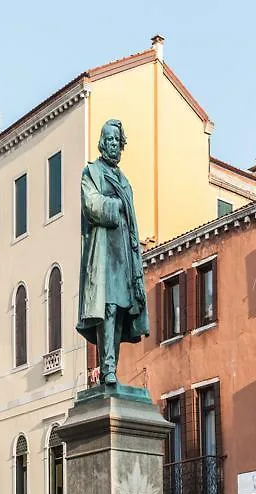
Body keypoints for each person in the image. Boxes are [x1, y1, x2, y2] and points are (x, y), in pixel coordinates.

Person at [76, 119, 149, 385]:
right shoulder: (91, 173)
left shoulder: (125, 181)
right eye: (109, 140)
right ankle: (106, 367)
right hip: (103, 250)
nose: (113, 145)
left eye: (117, 141)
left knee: (119, 308)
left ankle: (112, 368)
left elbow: (133, 223)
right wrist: (116, 205)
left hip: (123, 255)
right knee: (105, 306)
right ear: (101, 143)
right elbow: (91, 205)